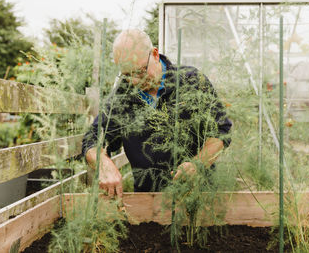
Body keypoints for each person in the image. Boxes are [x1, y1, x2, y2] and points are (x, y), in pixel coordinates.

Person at [82, 29, 232, 198]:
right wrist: (104, 165)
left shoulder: (192, 82)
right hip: (149, 204)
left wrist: (197, 164)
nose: (135, 81)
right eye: (127, 75)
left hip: (199, 197)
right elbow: (92, 138)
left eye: (140, 71)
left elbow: (221, 132)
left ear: (154, 54)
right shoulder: (122, 97)